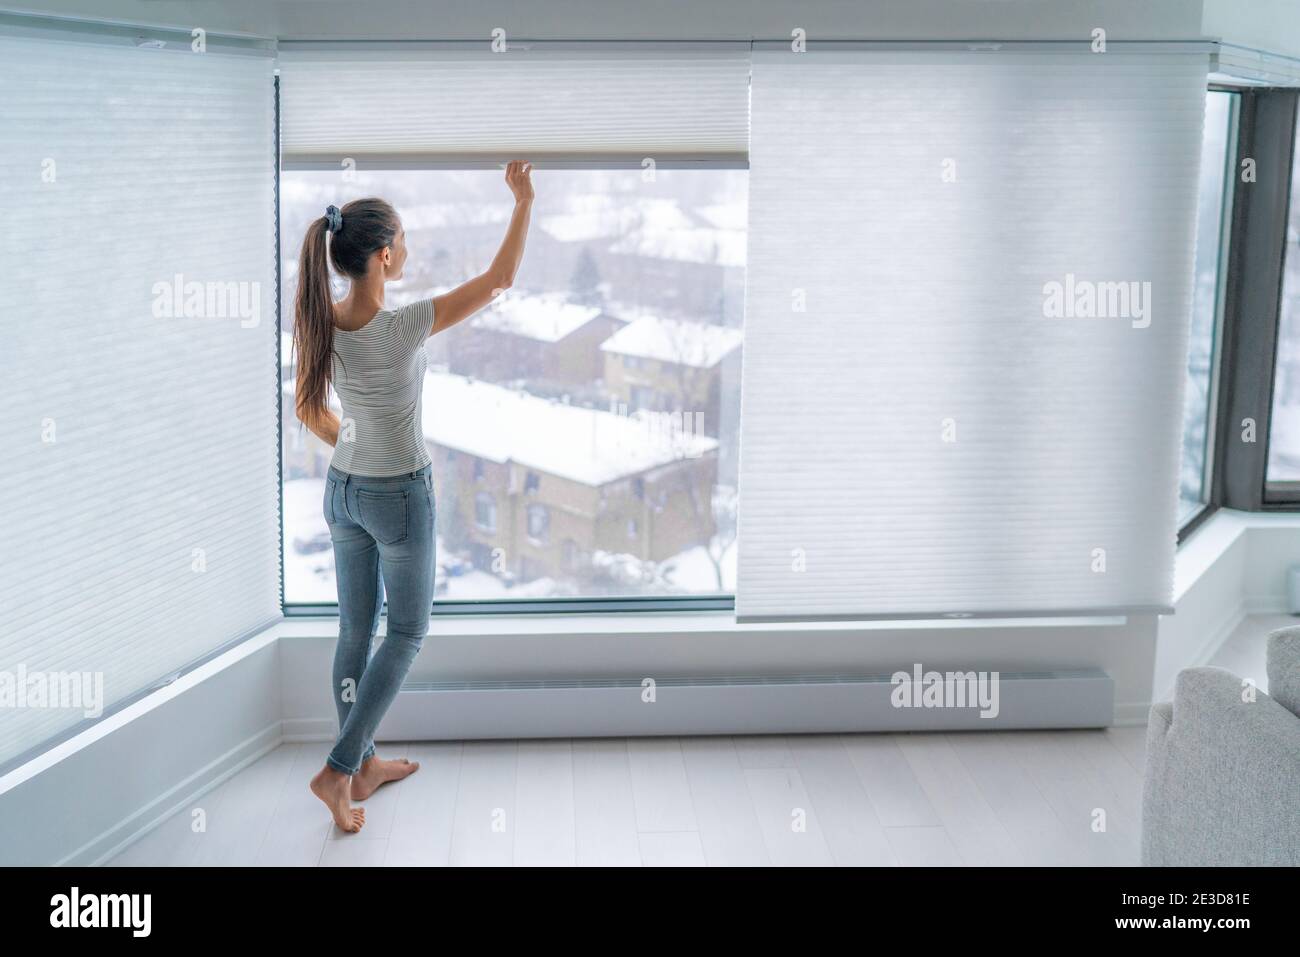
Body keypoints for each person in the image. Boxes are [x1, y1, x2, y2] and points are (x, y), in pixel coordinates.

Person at [293, 161, 534, 832]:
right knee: (405, 631)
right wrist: (523, 200)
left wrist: (358, 446)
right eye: (404, 242)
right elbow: (500, 281)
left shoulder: (320, 322)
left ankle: (361, 767)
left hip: (342, 491)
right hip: (398, 495)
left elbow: (309, 413)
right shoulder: (400, 327)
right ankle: (340, 768)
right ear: (385, 255)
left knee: (353, 630)